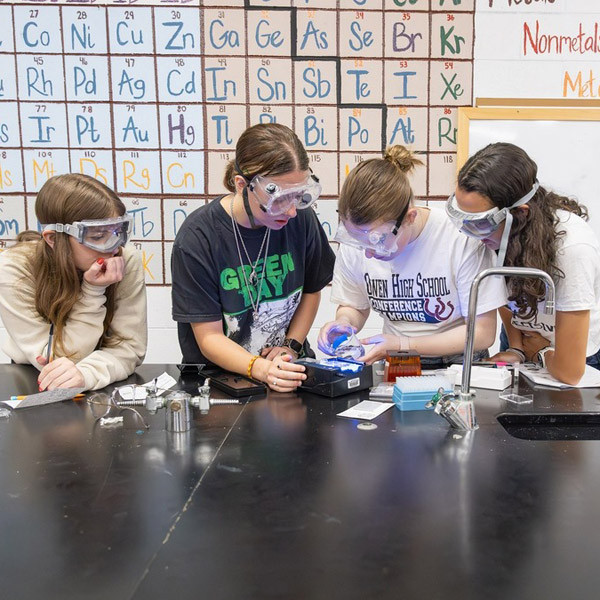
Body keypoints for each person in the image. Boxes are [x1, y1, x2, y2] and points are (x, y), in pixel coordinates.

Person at [171, 123, 335, 392]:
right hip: (220, 384)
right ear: (241, 185)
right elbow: (209, 337)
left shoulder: (301, 220)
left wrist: (291, 347)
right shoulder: (198, 237)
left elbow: (311, 291)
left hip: (286, 371)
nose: (292, 211)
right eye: (280, 199)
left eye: (298, 196)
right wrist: (261, 368)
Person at [318, 145, 506, 367]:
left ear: (409, 217)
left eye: (379, 241)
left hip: (460, 362)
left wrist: (402, 344)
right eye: (357, 241)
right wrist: (344, 323)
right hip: (398, 360)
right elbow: (355, 306)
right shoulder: (360, 238)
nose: (368, 252)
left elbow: (482, 332)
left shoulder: (458, 237)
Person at [447, 142, 600, 385]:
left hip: (571, 357)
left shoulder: (573, 248)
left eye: (478, 223)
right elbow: (508, 295)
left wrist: (537, 351)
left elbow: (570, 372)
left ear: (520, 214)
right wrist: (518, 348)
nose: (469, 233)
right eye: (464, 220)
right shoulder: (491, 236)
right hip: (523, 342)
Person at [0, 174, 147, 391]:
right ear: (52, 239)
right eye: (97, 237)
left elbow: (130, 348)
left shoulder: (125, 258)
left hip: (102, 376)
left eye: (118, 232)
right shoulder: (14, 268)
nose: (113, 247)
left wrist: (86, 375)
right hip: (33, 378)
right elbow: (55, 360)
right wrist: (93, 291)